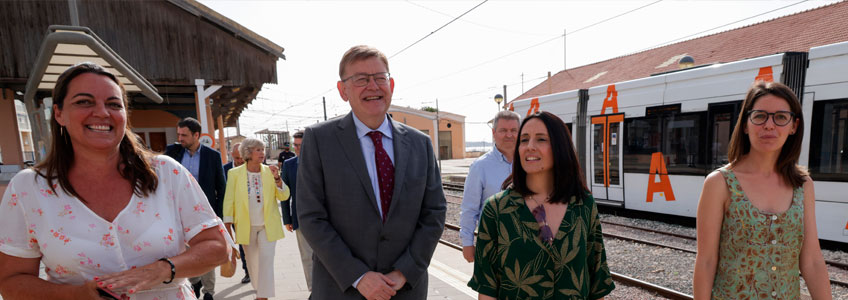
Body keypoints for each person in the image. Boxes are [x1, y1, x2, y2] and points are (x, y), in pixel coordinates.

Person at [0, 62, 229, 300]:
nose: (102, 112)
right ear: (58, 113)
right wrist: (77, 295)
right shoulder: (29, 188)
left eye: (113, 104)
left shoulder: (166, 173)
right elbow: (11, 283)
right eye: (84, 102)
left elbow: (217, 247)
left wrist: (162, 269)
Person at [297, 45, 447, 300]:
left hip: (405, 289)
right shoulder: (319, 140)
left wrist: (405, 271)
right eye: (361, 80)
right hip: (342, 289)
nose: (373, 86)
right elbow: (311, 217)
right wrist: (358, 276)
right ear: (343, 90)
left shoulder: (420, 143)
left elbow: (434, 212)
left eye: (380, 78)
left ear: (392, 84)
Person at [693, 81, 832, 299]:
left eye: (780, 117)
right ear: (746, 124)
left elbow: (812, 260)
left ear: (793, 126)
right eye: (760, 116)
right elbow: (707, 261)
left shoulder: (803, 185)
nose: (769, 125)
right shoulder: (719, 184)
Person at [469, 111, 615, 300]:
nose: (529, 147)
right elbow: (487, 287)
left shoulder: (583, 204)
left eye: (541, 139)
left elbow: (597, 281)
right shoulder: (497, 209)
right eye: (524, 140)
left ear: (559, 147)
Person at [164, 117, 227, 300]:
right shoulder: (172, 152)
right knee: (184, 251)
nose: (180, 138)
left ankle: (209, 291)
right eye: (179, 134)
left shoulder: (212, 156)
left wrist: (220, 215)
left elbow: (221, 187)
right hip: (177, 213)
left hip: (204, 213)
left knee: (207, 249)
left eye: (184, 135)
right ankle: (194, 280)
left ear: (196, 135)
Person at [223, 138, 290, 300]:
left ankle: (262, 297)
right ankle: (260, 290)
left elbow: (284, 195)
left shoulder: (270, 171)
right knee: (253, 264)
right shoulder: (234, 174)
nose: (262, 153)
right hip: (246, 227)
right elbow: (229, 200)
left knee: (266, 260)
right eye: (258, 150)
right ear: (248, 153)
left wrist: (277, 179)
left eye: (263, 149)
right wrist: (227, 227)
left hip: (268, 226)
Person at [459, 110, 520, 263]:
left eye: (513, 130)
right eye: (503, 130)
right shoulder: (480, 167)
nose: (509, 135)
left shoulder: (531, 162)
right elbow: (469, 208)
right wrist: (467, 243)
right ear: (494, 133)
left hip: (527, 244)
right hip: (493, 245)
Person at [281, 130, 314, 291]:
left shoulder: (320, 161)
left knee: (326, 257)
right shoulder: (289, 164)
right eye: (295, 145)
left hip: (324, 218)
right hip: (300, 218)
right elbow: (284, 194)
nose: (297, 148)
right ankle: (312, 290)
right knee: (307, 257)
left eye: (300, 145)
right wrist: (287, 219)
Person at [222, 143, 251, 284]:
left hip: (247, 213)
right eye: (236, 158)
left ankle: (250, 270)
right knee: (239, 242)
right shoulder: (225, 170)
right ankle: (248, 271)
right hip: (231, 214)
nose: (239, 161)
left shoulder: (250, 169)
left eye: (241, 158)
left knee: (246, 242)